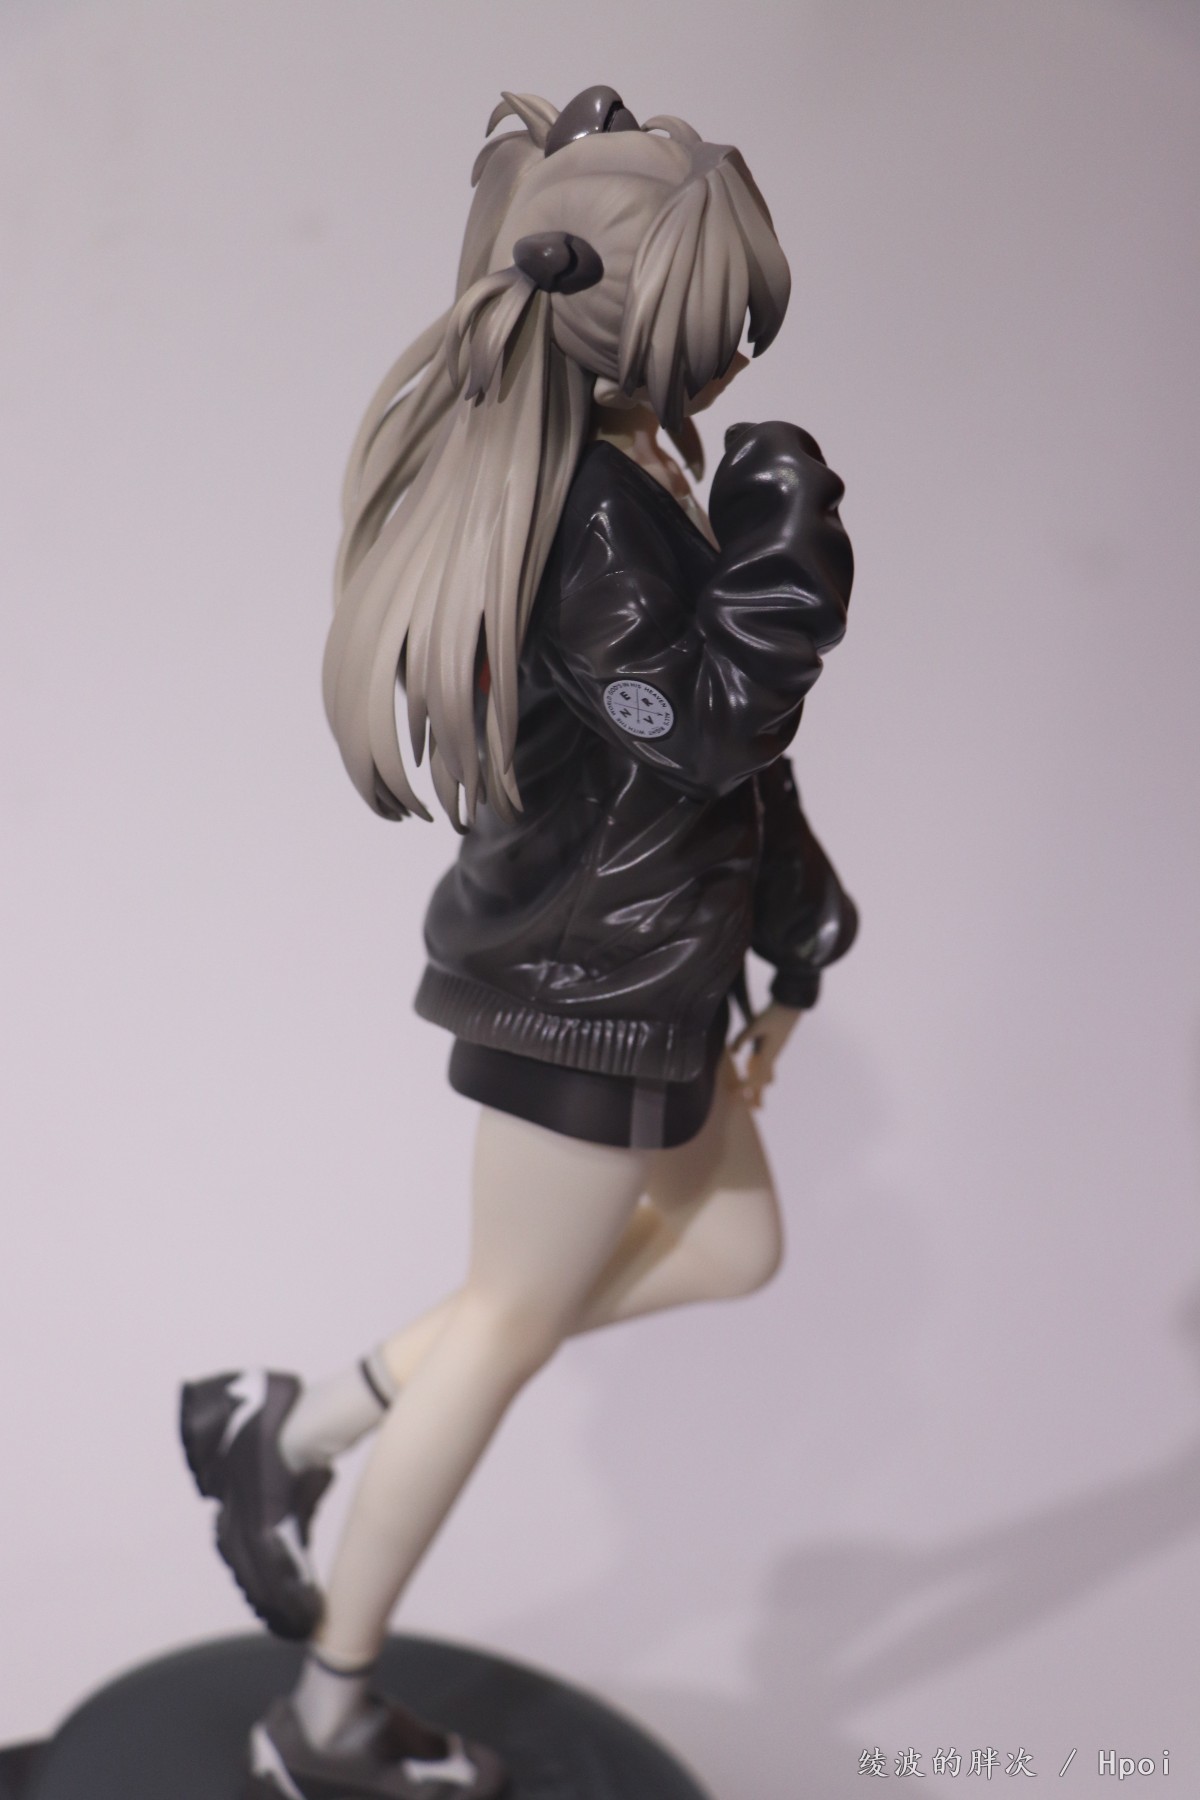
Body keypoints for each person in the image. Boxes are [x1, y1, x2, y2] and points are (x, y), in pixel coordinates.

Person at [182, 85, 857, 1800]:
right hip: (583, 994)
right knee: (501, 1336)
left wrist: (799, 934)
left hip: (658, 967)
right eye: (724, 329)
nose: (741, 363)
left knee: (731, 1249)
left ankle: (295, 1422)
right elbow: (712, 729)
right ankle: (325, 1720)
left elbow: (722, 787)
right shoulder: (588, 520)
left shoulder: (632, 463)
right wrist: (789, 533)